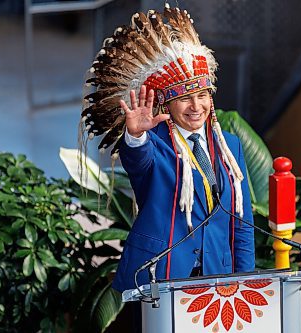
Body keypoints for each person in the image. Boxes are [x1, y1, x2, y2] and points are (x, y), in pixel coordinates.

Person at [79, 4, 255, 295]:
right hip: (161, 274)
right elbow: (138, 161)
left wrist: (246, 282)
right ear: (166, 103)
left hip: (218, 277)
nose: (196, 107)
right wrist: (135, 135)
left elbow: (243, 223)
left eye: (202, 95)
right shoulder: (154, 142)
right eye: (185, 98)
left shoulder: (230, 146)